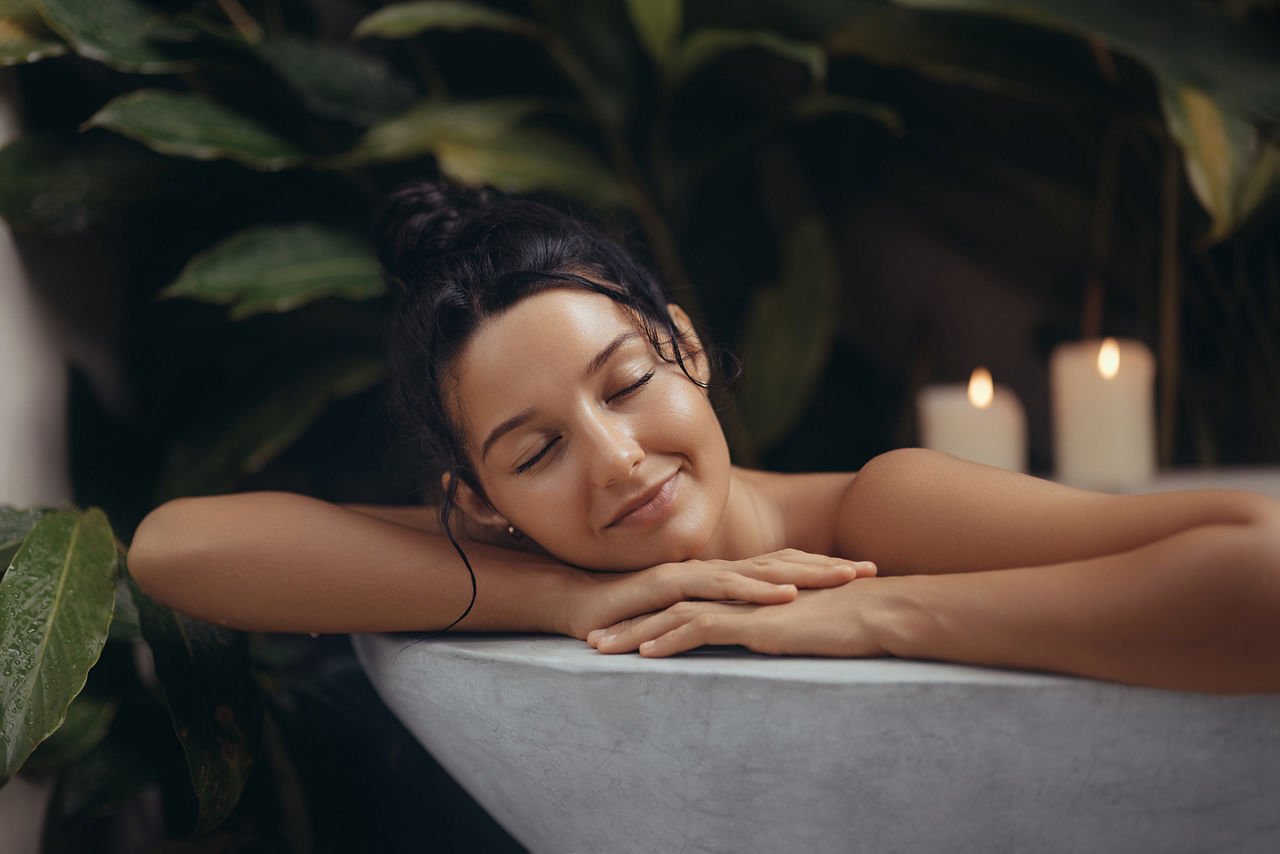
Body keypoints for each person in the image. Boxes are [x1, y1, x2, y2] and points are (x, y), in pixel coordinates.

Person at [128, 181, 1280, 695]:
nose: (616, 458)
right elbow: (173, 548)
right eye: (534, 453)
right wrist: (565, 599)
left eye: (625, 382)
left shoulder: (881, 510)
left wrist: (875, 610)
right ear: (479, 502)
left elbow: (1261, 558)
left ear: (682, 343)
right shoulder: (544, 552)